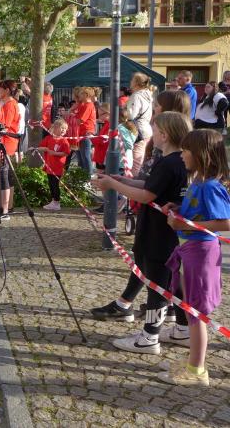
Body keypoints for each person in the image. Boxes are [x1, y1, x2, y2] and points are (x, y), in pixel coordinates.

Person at [90, 112, 192, 355]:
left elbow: (147, 196)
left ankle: (149, 337)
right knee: (172, 283)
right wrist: (122, 180)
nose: (151, 135)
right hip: (165, 231)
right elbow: (150, 186)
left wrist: (113, 185)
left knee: (156, 285)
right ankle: (183, 329)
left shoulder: (168, 163)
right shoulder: (176, 160)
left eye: (154, 130)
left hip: (158, 233)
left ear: (164, 135)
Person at [157, 129, 230, 386]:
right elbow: (199, 213)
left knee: (196, 312)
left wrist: (185, 225)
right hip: (190, 251)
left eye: (186, 151)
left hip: (201, 254)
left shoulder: (210, 186)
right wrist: (179, 210)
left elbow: (226, 222)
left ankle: (197, 371)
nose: (181, 155)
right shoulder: (198, 181)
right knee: (190, 309)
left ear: (201, 154)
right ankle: (193, 362)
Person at [0, 80, 20, 219]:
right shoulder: (9, 103)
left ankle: (5, 209)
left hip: (7, 142)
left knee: (4, 174)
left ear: (7, 90)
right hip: (8, 141)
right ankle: (8, 206)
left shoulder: (10, 105)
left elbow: (5, 125)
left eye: (0, 89)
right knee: (7, 174)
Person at [38, 118, 70, 211]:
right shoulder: (49, 138)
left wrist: (55, 153)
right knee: (51, 184)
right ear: (55, 128)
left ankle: (57, 202)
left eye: (65, 129)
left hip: (57, 167)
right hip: (49, 166)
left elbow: (66, 153)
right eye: (62, 128)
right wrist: (44, 149)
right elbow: (41, 147)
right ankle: (53, 201)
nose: (63, 130)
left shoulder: (64, 141)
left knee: (55, 185)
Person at [127, 73, 154, 176]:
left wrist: (125, 109)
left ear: (136, 83)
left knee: (136, 161)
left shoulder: (137, 96)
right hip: (146, 129)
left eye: (132, 80)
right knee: (140, 159)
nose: (130, 82)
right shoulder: (148, 95)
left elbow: (131, 115)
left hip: (138, 131)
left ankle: (134, 182)